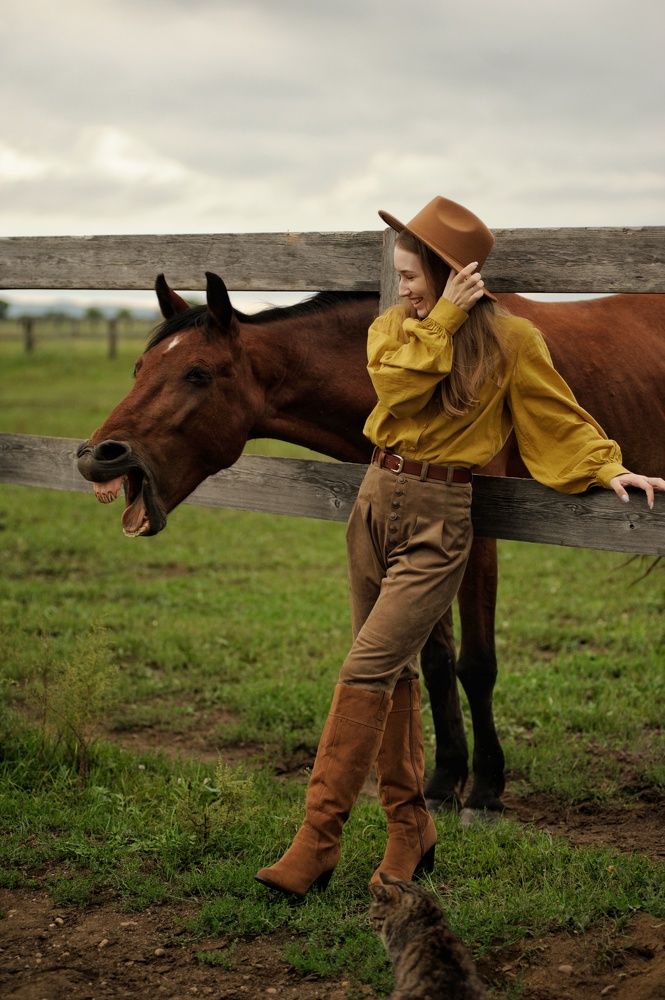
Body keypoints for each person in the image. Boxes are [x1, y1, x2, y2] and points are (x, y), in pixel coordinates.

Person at [255, 196, 665, 899]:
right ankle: (409, 830)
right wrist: (436, 315)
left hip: (439, 517)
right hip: (374, 503)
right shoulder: (393, 329)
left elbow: (555, 416)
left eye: (413, 276)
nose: (403, 288)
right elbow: (395, 386)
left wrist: (607, 466)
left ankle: (315, 842)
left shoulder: (513, 341)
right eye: (401, 276)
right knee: (395, 670)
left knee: (367, 665)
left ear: (451, 275)